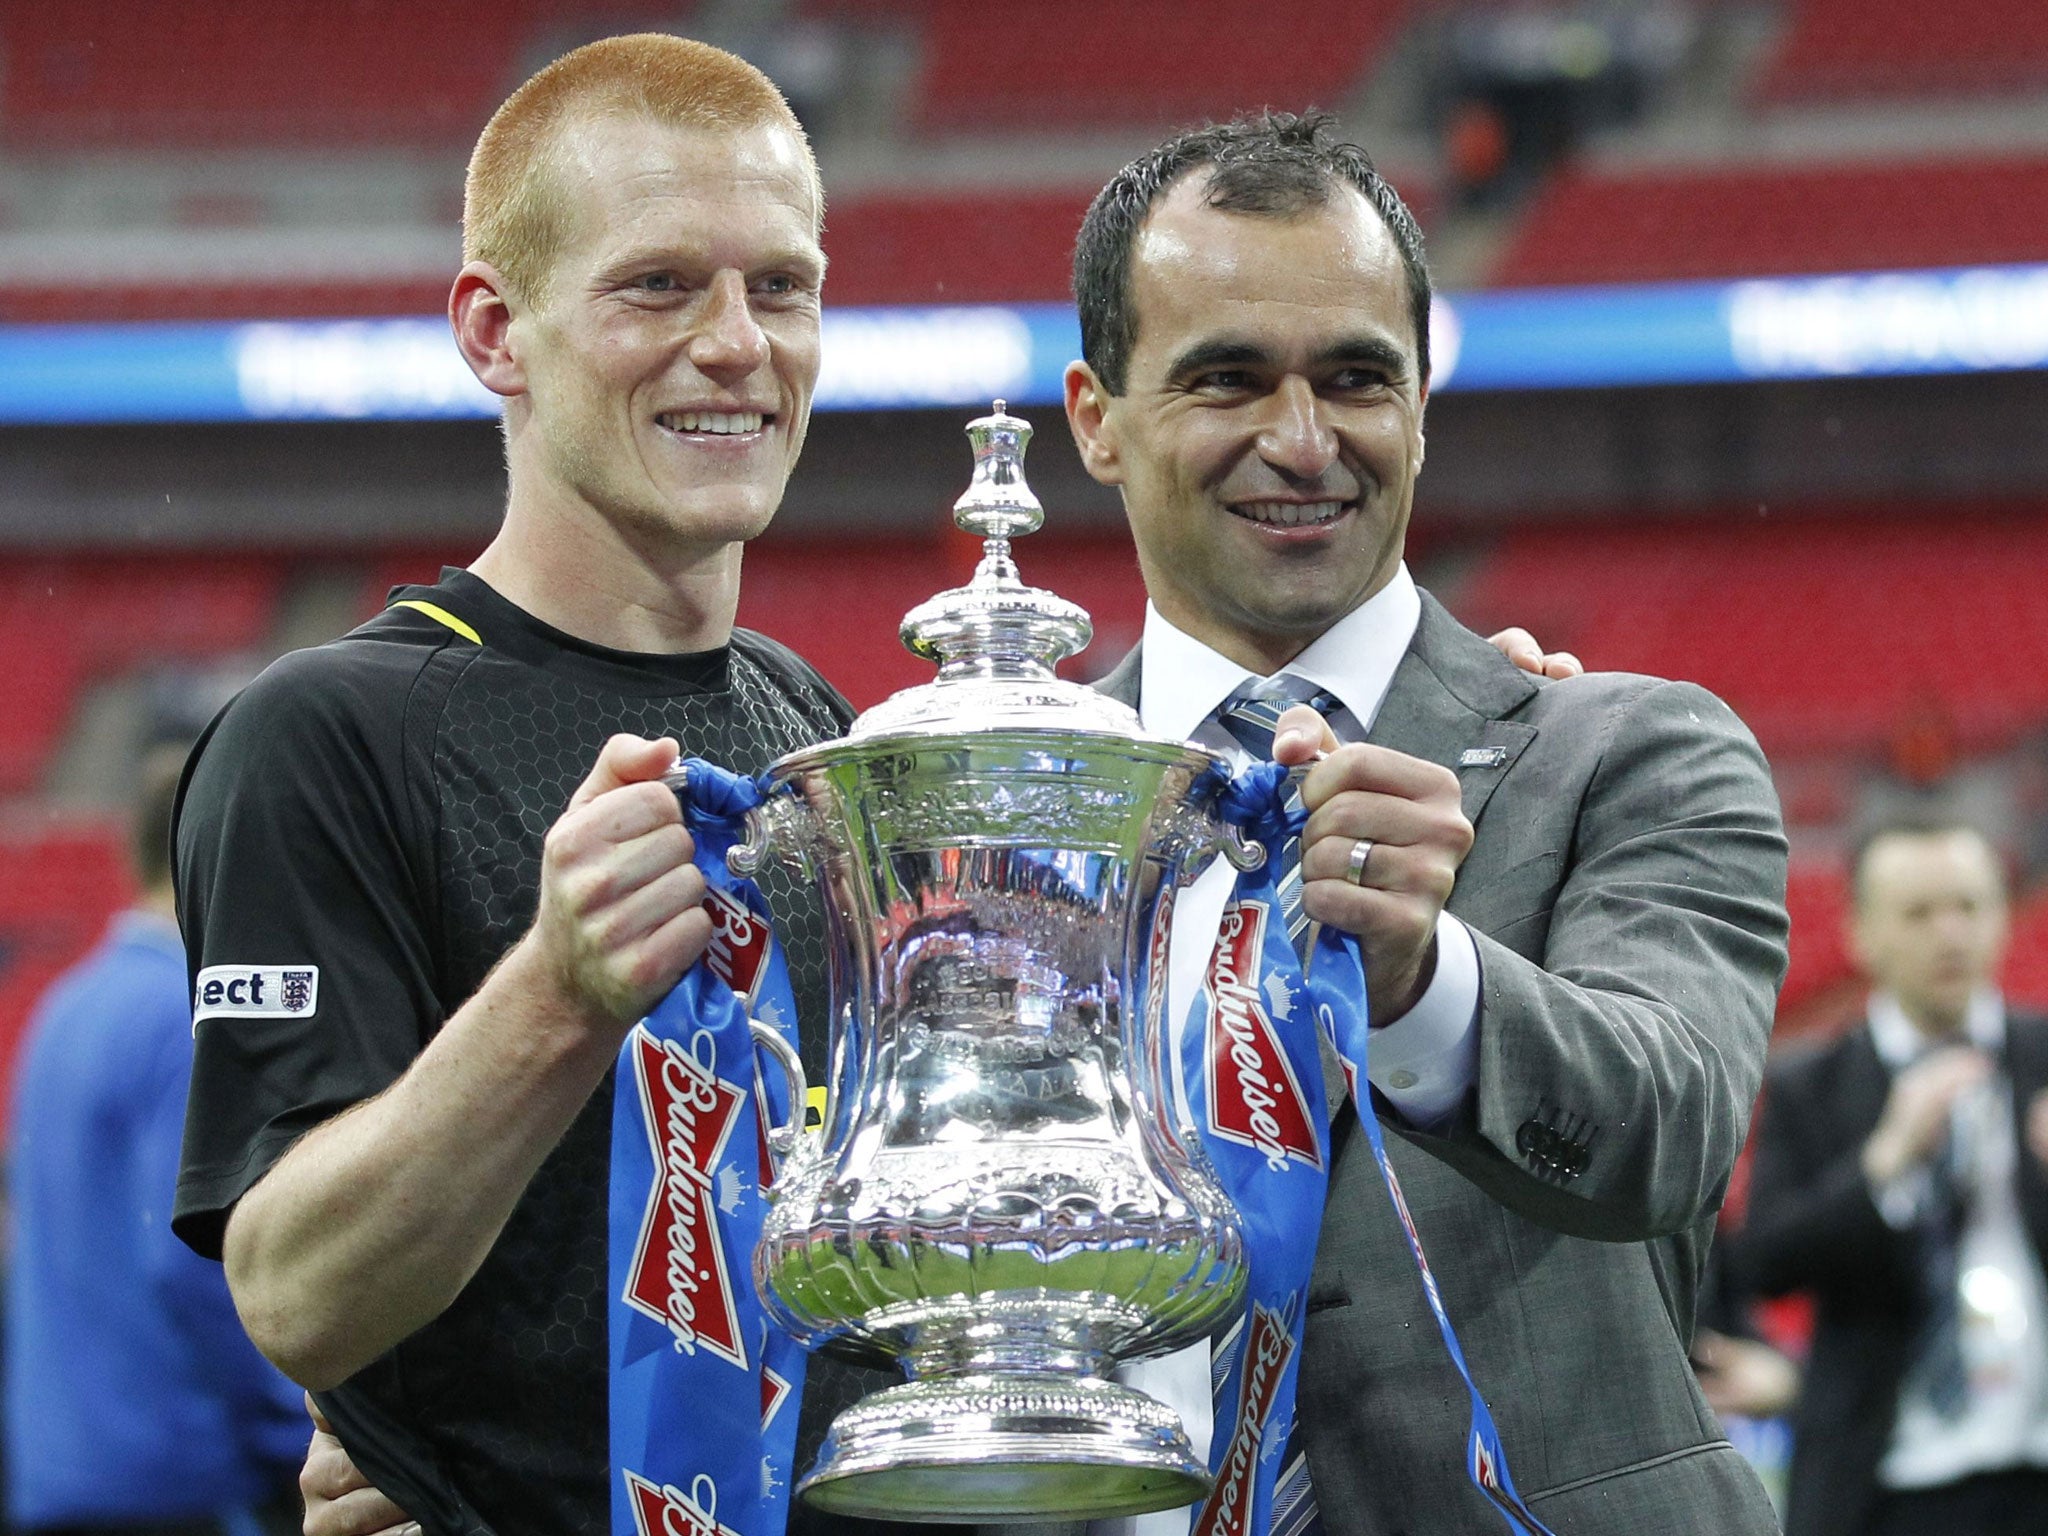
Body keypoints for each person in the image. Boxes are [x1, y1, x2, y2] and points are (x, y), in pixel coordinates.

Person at [1063, 111, 1789, 1533]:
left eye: (1355, 379)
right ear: (1098, 416)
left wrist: (1422, 982)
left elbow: (1669, 1128)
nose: (1302, 439)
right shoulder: (1008, 814)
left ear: (1420, 405)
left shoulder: (1631, 750)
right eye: (1227, 379)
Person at [171, 34, 857, 1536]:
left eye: (782, 285)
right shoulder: (327, 736)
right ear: (496, 332)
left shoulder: (812, 719)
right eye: (660, 284)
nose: (740, 342)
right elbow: (292, 1290)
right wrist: (557, 991)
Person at [7, 743, 304, 1535]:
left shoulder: (67, 1005)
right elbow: (193, 1257)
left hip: (64, 1471)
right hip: (178, 1483)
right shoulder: (181, 1019)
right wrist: (290, 1429)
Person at [1740, 817, 2048, 1536]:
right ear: (1861, 933)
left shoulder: (2044, 1057)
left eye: (1970, 907)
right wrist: (1882, 1164)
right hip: (1887, 1476)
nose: (1951, 934)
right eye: (1919, 912)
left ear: (2004, 919)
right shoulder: (1811, 1084)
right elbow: (1765, 1261)